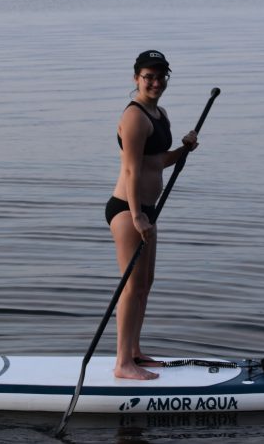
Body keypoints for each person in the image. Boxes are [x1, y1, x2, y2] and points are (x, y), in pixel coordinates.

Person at [105, 50, 198, 380]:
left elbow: (156, 162)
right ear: (136, 79)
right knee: (131, 285)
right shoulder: (133, 117)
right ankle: (122, 363)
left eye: (161, 77)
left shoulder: (160, 114)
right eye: (149, 77)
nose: (156, 83)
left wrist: (184, 149)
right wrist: (136, 216)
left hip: (147, 210)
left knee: (145, 283)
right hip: (127, 210)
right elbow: (131, 170)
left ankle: (134, 351)